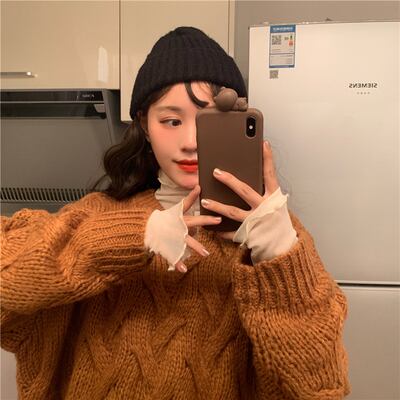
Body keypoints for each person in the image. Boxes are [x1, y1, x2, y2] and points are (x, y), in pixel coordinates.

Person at [0, 27, 350, 399]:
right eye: (171, 121)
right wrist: (134, 236)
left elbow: (321, 387)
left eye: (207, 122)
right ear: (144, 126)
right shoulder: (98, 215)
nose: (190, 142)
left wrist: (279, 258)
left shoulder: (277, 236)